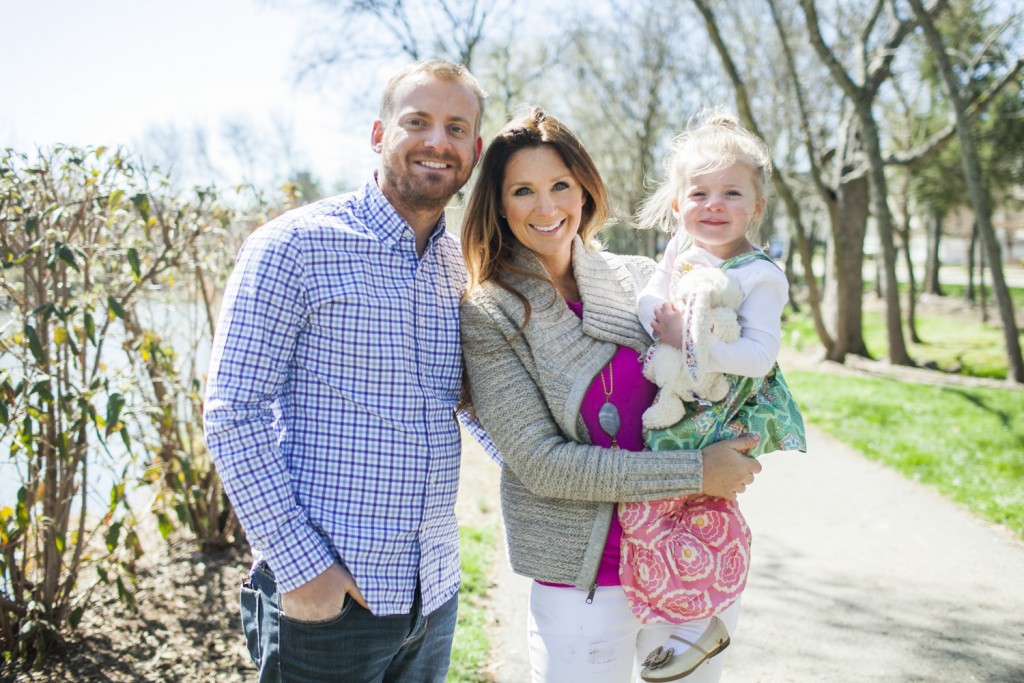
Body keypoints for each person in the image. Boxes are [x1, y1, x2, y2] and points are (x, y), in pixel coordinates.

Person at [204, 60, 486, 683]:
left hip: (432, 593)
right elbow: (232, 414)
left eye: (456, 127)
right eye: (417, 121)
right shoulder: (294, 246)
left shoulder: (461, 268)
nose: (437, 141)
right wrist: (304, 570)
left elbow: (472, 405)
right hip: (329, 602)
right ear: (379, 133)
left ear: (475, 148)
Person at [459, 106, 762, 683]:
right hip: (586, 579)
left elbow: (712, 378)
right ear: (499, 204)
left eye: (560, 186)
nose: (546, 207)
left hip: (688, 555)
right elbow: (543, 466)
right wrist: (697, 472)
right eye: (523, 190)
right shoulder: (492, 312)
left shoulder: (640, 276)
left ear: (584, 189)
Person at [626, 111, 807, 681]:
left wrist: (689, 338)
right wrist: (657, 317)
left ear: (756, 207)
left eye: (731, 193)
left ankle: (709, 614)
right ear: (678, 204)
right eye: (699, 192)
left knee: (692, 506)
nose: (714, 204)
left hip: (724, 410)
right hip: (678, 405)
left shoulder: (761, 275)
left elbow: (759, 356)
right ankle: (681, 619)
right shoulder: (680, 248)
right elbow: (648, 299)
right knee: (656, 514)